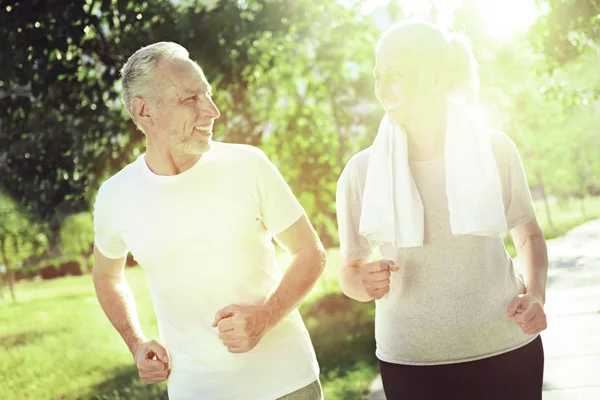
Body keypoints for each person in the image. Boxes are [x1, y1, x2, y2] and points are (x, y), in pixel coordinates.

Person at [92, 42, 326, 400]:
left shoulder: (249, 165)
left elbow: (310, 252)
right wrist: (136, 343)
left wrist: (264, 317)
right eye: (191, 99)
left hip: (286, 383)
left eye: (208, 95)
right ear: (145, 111)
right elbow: (107, 276)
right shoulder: (115, 196)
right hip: (197, 390)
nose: (212, 111)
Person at [336, 19, 548, 400]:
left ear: (435, 78)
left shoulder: (495, 150)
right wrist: (361, 284)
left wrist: (536, 294)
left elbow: (528, 235)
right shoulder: (361, 171)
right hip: (411, 364)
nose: (381, 89)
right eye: (377, 76)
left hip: (507, 351)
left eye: (395, 75)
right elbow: (349, 271)